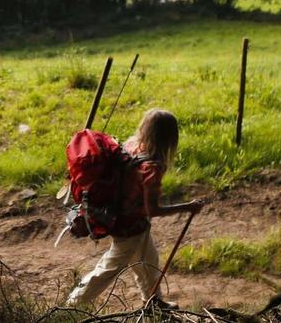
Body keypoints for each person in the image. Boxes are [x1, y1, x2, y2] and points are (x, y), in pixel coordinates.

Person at [65, 108, 204, 308]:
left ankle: (153, 302)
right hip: (128, 226)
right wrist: (188, 207)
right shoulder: (151, 168)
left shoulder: (131, 145)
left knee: (148, 262)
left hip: (126, 220)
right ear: (169, 138)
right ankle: (71, 306)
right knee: (108, 269)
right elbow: (152, 210)